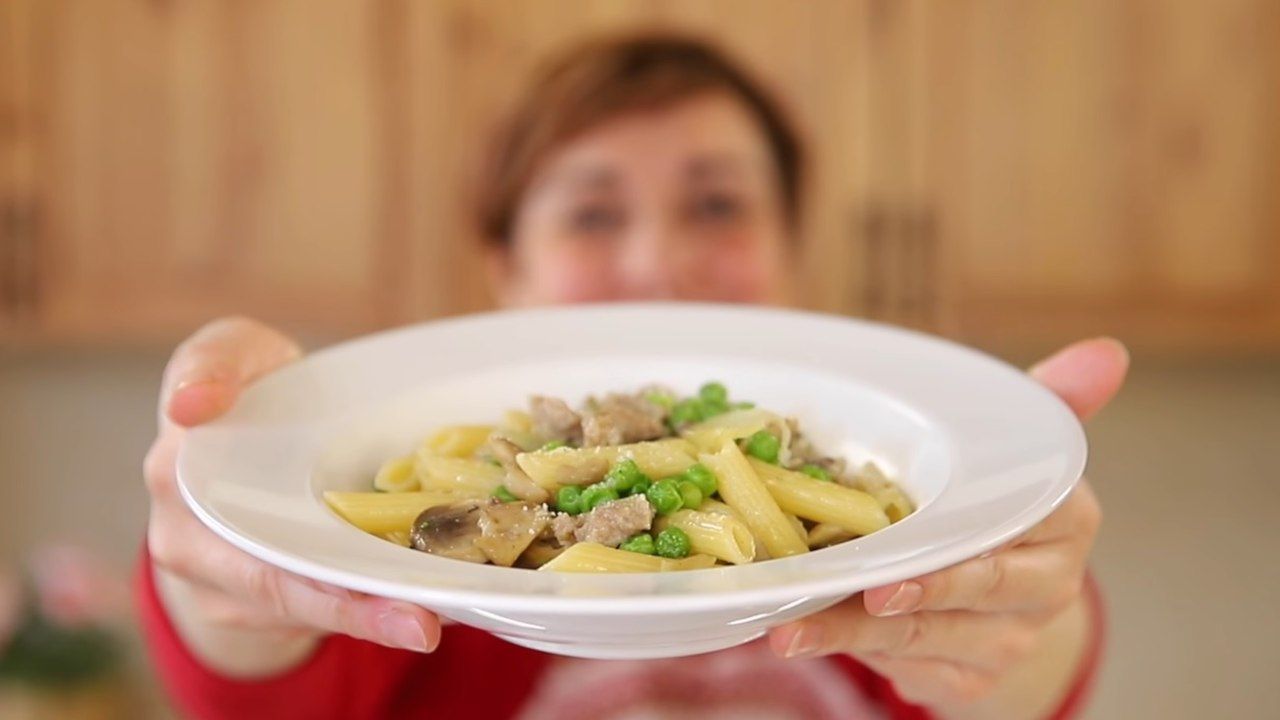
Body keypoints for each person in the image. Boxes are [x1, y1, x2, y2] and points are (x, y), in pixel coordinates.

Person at [138, 34, 1126, 719]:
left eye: (715, 204)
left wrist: (1020, 617)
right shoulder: (421, 584)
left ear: (793, 250)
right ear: (507, 272)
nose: (658, 263)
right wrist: (220, 565)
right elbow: (253, 683)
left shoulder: (877, 539)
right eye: (594, 214)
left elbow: (1007, 691)